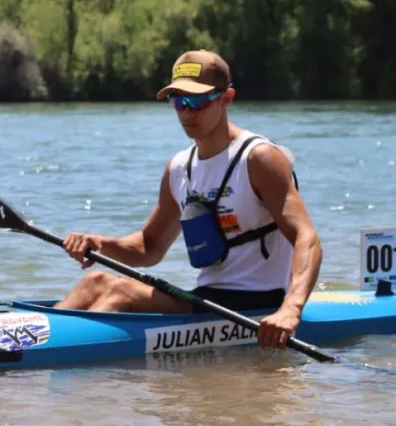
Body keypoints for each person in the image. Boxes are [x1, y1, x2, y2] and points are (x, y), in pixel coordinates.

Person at [54, 50, 322, 351]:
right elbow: (149, 247)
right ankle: (26, 339)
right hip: (209, 296)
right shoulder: (180, 168)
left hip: (260, 302)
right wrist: (99, 243)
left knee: (120, 293)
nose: (186, 112)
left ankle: (61, 358)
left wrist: (291, 309)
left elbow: (306, 237)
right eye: (178, 102)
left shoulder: (258, 158)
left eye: (196, 101)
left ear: (226, 99)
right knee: (96, 281)